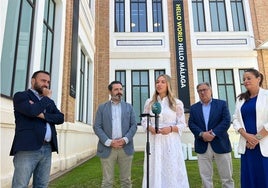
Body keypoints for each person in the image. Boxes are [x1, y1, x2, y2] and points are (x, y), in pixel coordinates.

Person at [10, 70, 64, 188]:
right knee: (20, 185)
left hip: (47, 149)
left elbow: (60, 118)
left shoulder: (48, 102)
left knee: (42, 185)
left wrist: (43, 115)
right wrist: (45, 100)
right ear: (33, 81)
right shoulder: (21, 96)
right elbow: (31, 111)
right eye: (43, 81)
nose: (46, 84)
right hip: (27, 149)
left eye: (48, 82)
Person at [141, 74, 189, 188]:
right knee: (154, 167)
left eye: (163, 82)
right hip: (154, 141)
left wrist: (171, 129)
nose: (159, 84)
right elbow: (144, 120)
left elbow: (182, 124)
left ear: (168, 84)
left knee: (171, 167)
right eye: (157, 82)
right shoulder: (149, 102)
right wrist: (150, 127)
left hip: (170, 141)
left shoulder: (177, 103)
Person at [188, 82, 234, 188]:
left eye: (205, 89)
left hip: (220, 143)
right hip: (202, 144)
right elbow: (191, 124)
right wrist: (202, 134)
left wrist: (213, 133)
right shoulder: (194, 108)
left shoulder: (221, 104)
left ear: (211, 90)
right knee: (205, 177)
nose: (202, 92)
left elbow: (226, 121)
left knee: (227, 177)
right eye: (200, 91)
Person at [93, 81, 137, 188]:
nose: (119, 92)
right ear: (110, 91)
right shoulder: (102, 108)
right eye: (116, 89)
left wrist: (125, 139)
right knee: (107, 182)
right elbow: (97, 126)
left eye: (121, 89)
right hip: (107, 148)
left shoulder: (129, 107)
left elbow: (134, 125)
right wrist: (109, 142)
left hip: (125, 147)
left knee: (126, 181)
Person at [232, 68, 268, 188]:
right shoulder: (240, 99)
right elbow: (235, 119)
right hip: (247, 145)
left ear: (258, 79)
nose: (245, 81)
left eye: (249, 78)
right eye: (244, 79)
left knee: (264, 176)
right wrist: (246, 135)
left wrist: (256, 138)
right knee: (249, 178)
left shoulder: (266, 95)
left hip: (263, 144)